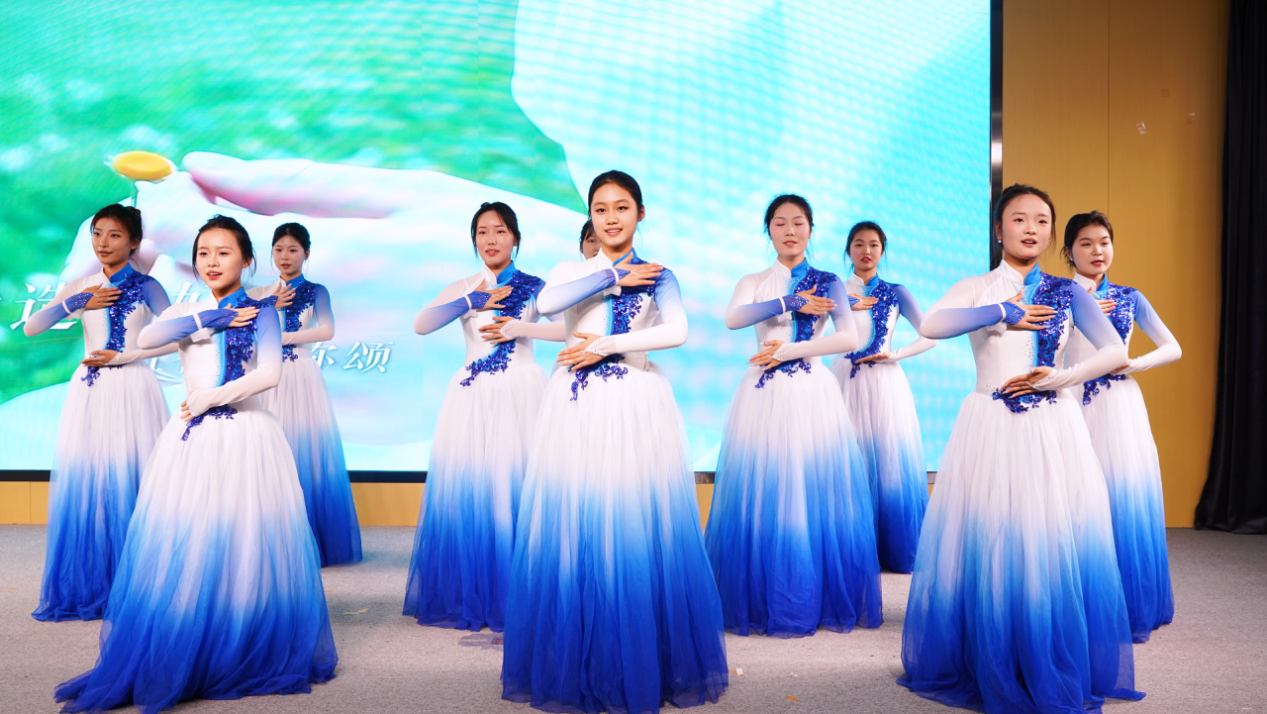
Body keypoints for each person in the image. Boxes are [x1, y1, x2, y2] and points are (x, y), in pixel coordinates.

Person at [56, 215, 336, 714]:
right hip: (191, 437)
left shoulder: (263, 312)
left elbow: (269, 374)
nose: (212, 261)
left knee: (244, 537)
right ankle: (193, 634)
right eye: (204, 252)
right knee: (189, 534)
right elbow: (147, 339)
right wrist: (211, 321)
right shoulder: (186, 308)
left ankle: (239, 636)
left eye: (224, 252)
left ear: (246, 260)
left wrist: (213, 397)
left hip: (246, 433)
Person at [899, 185, 1142, 713]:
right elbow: (931, 325)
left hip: (1051, 424)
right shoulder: (977, 287)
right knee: (992, 536)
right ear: (998, 228)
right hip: (989, 423)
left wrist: (1060, 378)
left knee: (1046, 537)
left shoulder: (1066, 291)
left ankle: (1041, 652)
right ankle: (991, 654)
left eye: (1041, 220)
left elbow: (1114, 351)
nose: (1031, 228)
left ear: (1051, 232)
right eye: (1019, 219)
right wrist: (998, 313)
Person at [501, 171, 728, 713]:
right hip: (575, 406)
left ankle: (640, 662)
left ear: (640, 213)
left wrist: (605, 344)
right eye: (600, 209)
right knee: (574, 524)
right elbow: (548, 304)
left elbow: (677, 331)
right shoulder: (571, 270)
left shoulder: (660, 274)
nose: (610, 218)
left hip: (634, 403)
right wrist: (611, 276)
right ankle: (574, 660)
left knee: (631, 527)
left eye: (622, 207)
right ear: (590, 216)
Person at [705, 195, 881, 637]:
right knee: (767, 488)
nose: (789, 230)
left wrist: (790, 350)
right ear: (768, 230)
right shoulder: (754, 281)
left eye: (798, 222)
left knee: (810, 490)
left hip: (810, 390)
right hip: (762, 393)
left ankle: (809, 597)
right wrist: (789, 303)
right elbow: (733, 318)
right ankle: (764, 599)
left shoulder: (830, 281)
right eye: (780, 223)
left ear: (811, 229)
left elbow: (848, 339)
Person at [405, 201, 563, 631]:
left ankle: (525, 595)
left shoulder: (534, 286)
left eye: (500, 231)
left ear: (515, 238)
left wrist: (521, 328)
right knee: (474, 490)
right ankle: (474, 593)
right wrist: (468, 301)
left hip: (521, 390)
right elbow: (421, 324)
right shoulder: (464, 286)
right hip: (472, 396)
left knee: (519, 487)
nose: (490, 240)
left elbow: (569, 328)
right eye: (482, 232)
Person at [26, 205, 174, 622]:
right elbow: (34, 327)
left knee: (132, 478)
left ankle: (139, 587)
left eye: (114, 235)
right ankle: (92, 584)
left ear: (134, 243)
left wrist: (128, 354)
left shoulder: (148, 286)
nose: (103, 243)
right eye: (97, 234)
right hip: (90, 391)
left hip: (133, 387)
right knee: (90, 482)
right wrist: (77, 301)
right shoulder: (82, 285)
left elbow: (176, 336)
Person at [1063, 210, 1180, 643]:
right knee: (1073, 497)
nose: (1097, 251)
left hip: (1117, 405)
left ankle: (1124, 605)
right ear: (1069, 251)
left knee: (1121, 497)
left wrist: (1134, 362)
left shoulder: (1130, 297)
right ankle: (1076, 603)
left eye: (1104, 242)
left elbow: (1173, 347)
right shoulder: (1058, 295)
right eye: (1086, 243)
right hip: (1070, 400)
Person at [247, 222, 361, 566]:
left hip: (300, 375)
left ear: (306, 253)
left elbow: (326, 330)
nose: (285, 256)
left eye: (293, 249)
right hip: (264, 375)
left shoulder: (316, 291)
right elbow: (240, 325)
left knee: (303, 452)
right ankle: (270, 540)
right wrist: (267, 304)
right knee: (266, 451)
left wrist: (281, 338)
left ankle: (310, 542)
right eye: (278, 249)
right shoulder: (257, 293)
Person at [831, 221, 935, 574]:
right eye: (859, 244)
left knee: (890, 461)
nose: (866, 251)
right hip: (845, 379)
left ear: (883, 250)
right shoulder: (834, 290)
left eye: (873, 244)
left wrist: (895, 355)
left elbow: (931, 335)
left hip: (886, 383)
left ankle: (892, 549)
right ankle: (853, 550)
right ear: (848, 250)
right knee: (849, 458)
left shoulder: (896, 292)